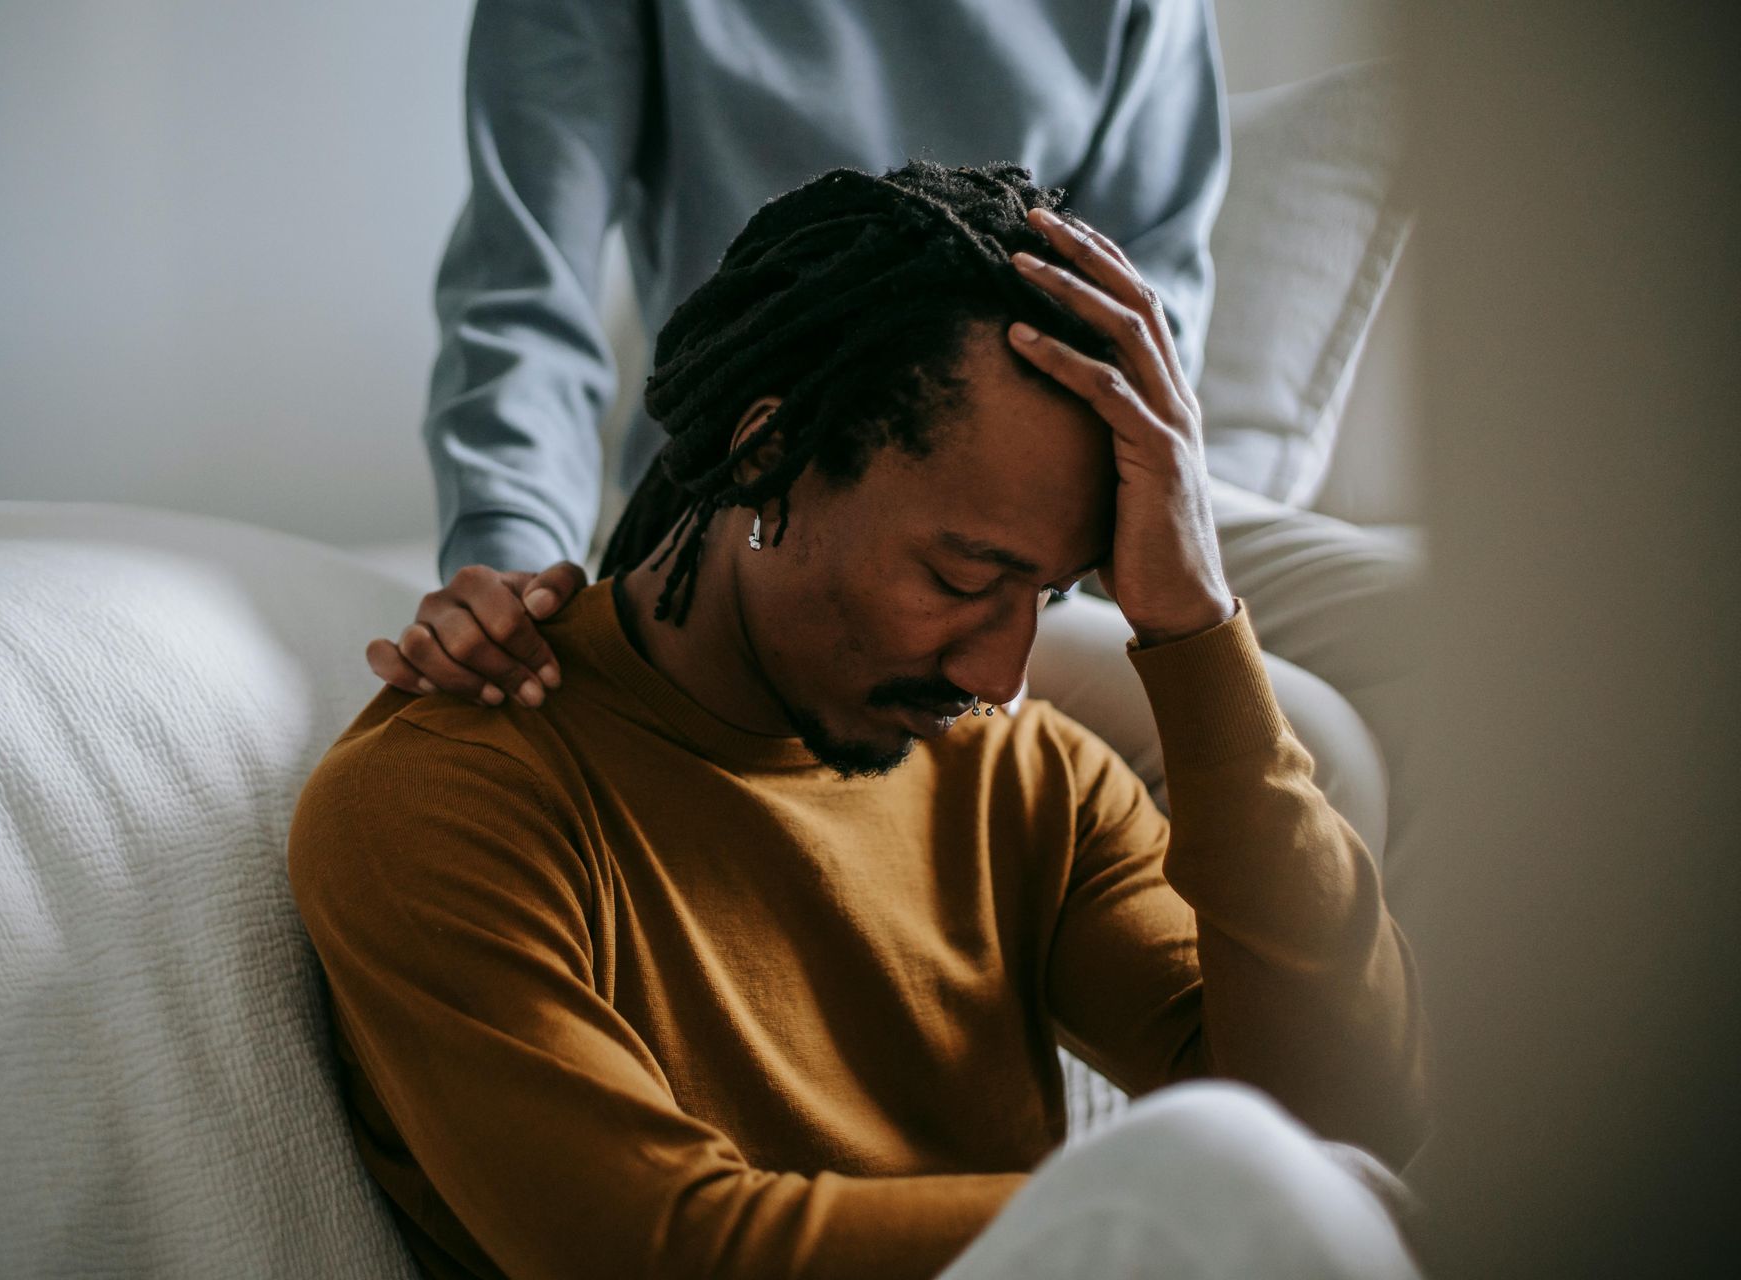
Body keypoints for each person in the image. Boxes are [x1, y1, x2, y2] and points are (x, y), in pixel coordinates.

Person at [290, 161, 1428, 1280]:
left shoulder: (1032, 779)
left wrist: (1192, 620)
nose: (1002, 666)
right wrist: (1181, 1212)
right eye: (960, 573)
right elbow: (656, 1251)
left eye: (1052, 594)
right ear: (766, 449)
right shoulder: (448, 798)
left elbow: (1347, 1116)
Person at [369, 0, 1427, 897]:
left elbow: (1152, 283)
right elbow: (524, 283)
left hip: (1069, 489)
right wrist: (513, 553)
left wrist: (1098, 558)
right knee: (1320, 746)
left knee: (1443, 646)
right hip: (806, 486)